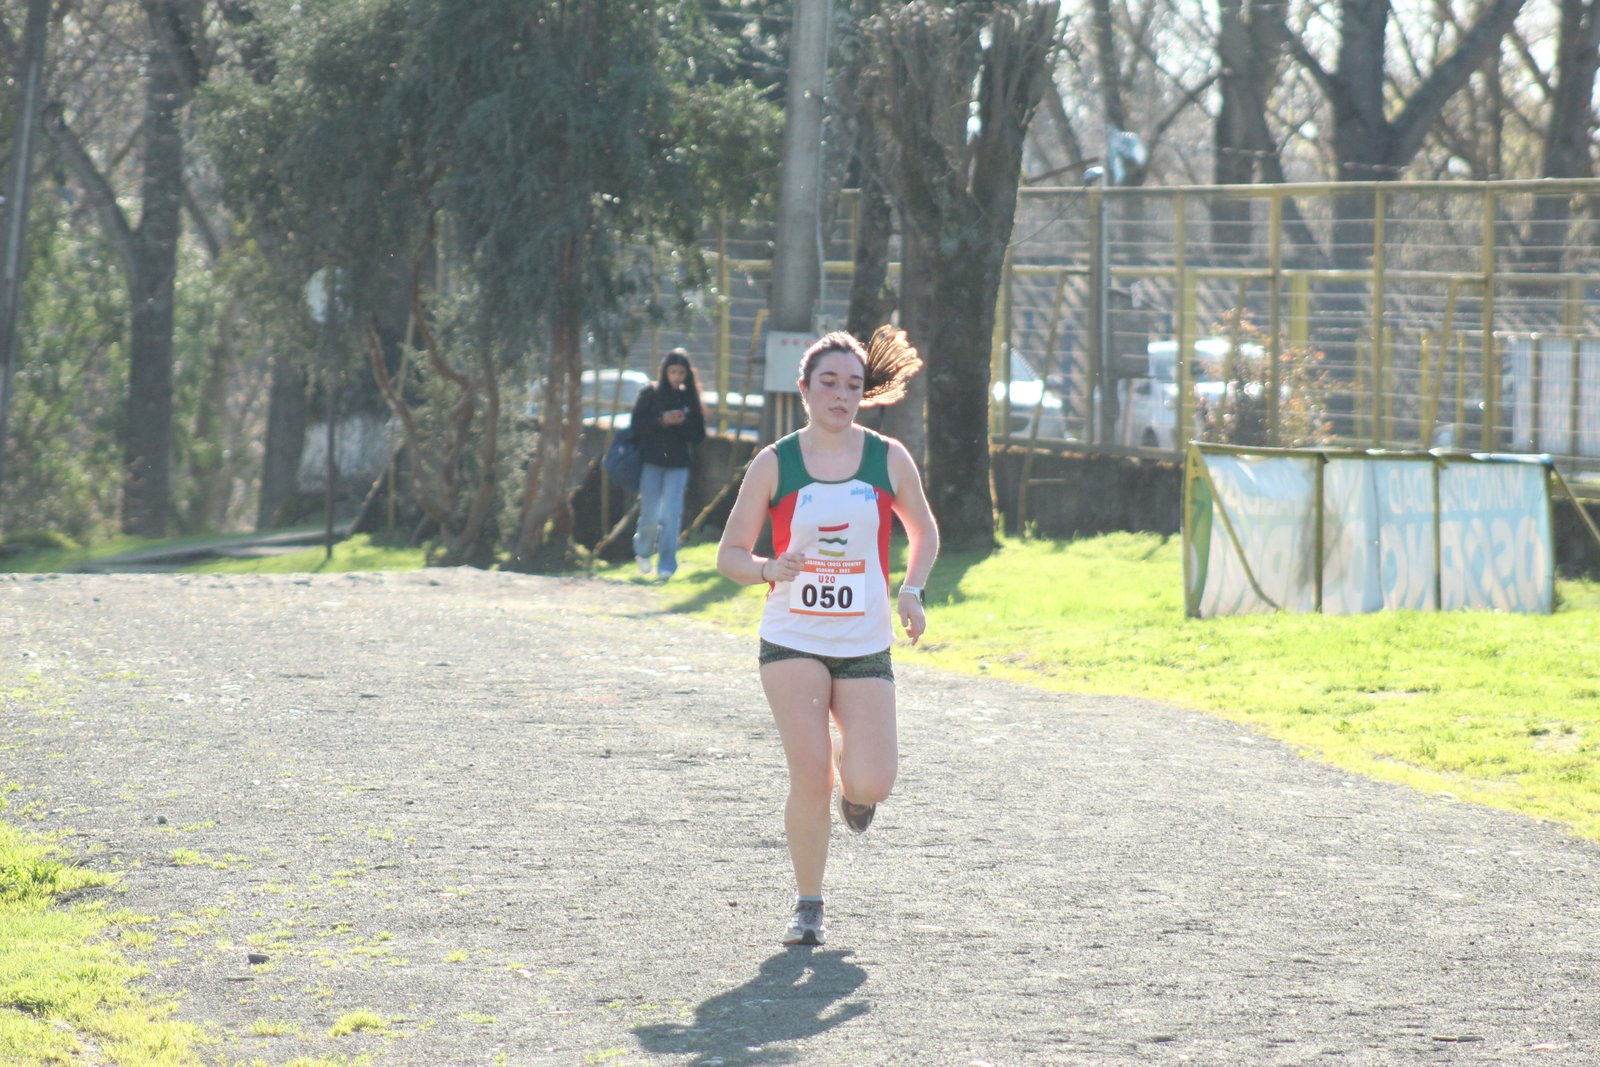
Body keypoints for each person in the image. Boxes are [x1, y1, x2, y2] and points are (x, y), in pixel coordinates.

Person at [716, 326, 939, 947]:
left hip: (864, 640)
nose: (841, 395)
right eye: (829, 383)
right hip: (792, 636)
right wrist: (768, 568)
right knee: (810, 776)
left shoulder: (887, 457)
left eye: (853, 385)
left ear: (864, 393)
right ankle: (808, 906)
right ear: (805, 388)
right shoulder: (776, 462)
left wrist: (912, 590)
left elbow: (924, 532)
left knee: (871, 783)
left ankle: (852, 773)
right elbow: (729, 555)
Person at [630, 348, 707, 581]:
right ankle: (643, 550)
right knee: (650, 514)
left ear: (686, 374)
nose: (676, 377)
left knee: (672, 516)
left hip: (678, 465)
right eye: (672, 372)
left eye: (681, 373)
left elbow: (698, 436)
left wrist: (681, 423)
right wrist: (661, 420)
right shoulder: (650, 394)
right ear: (665, 371)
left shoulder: (689, 399)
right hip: (651, 462)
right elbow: (637, 426)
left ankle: (667, 565)